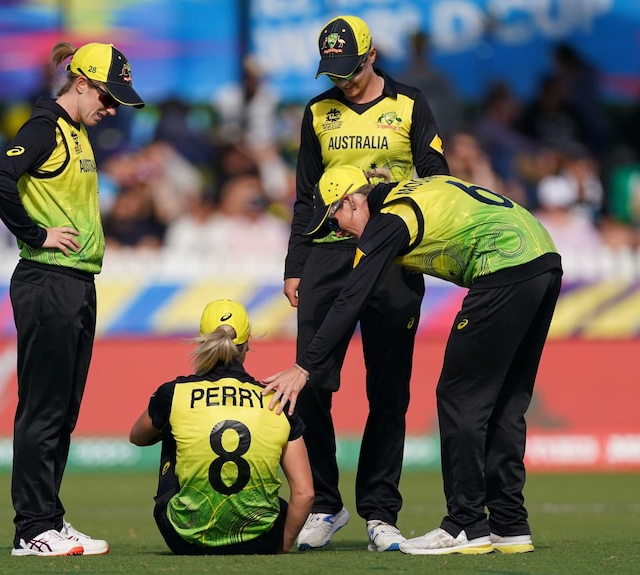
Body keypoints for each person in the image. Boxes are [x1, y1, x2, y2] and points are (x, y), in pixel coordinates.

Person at [264, 165, 562, 556]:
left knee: (459, 398)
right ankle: (509, 524)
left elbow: (352, 297)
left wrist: (305, 367)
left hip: (502, 268)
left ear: (353, 200)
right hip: (544, 258)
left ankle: (466, 524)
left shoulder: (389, 221)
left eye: (336, 221)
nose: (339, 233)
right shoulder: (406, 191)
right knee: (506, 400)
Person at [282, 14, 449, 552]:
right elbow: (306, 193)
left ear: (372, 55)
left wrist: (386, 192)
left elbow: (437, 178)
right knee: (308, 385)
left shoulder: (410, 104)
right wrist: (294, 263)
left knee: (388, 391)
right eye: (331, 71)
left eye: (349, 69)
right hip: (326, 260)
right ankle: (327, 505)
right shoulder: (317, 112)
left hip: (392, 257)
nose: (342, 80)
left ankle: (380, 511)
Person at [0, 41, 145, 557]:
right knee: (43, 410)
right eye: (108, 96)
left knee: (64, 410)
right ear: (81, 84)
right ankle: (32, 529)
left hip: (74, 283)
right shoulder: (45, 128)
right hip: (47, 280)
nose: (113, 108)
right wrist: (34, 233)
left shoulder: (74, 133)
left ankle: (48, 519)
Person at [129, 299, 314, 555]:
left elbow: (137, 437)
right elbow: (305, 494)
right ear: (248, 341)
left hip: (184, 539)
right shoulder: (276, 399)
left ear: (202, 338)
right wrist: (281, 546)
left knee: (170, 425)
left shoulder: (174, 392)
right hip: (261, 540)